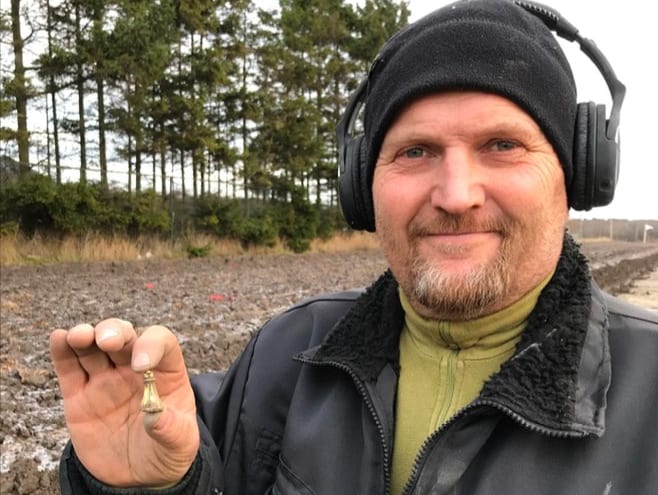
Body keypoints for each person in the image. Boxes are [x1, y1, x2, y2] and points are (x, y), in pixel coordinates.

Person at [50, 0, 658, 493]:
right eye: (415, 151)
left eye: (502, 145)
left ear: (579, 174)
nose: (455, 194)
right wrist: (151, 488)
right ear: (363, 186)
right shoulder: (287, 356)